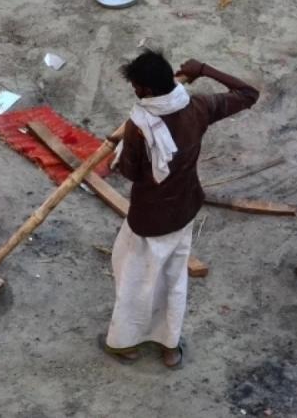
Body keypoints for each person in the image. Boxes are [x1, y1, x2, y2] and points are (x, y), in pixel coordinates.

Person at [102, 50, 259, 368]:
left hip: (148, 218)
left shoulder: (138, 127)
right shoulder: (197, 106)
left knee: (134, 280)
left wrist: (117, 157)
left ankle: (125, 344)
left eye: (135, 86)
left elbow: (132, 173)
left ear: (144, 89)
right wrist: (204, 68)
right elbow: (248, 93)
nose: (135, 91)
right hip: (184, 210)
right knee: (173, 279)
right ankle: (169, 348)